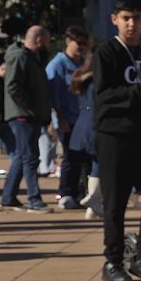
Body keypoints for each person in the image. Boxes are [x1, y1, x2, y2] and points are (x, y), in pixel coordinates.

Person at [93, 0, 141, 281]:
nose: (132, 24)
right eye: (126, 18)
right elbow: (103, 98)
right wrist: (140, 88)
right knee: (116, 201)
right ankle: (112, 262)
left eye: (137, 18)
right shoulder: (107, 51)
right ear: (115, 20)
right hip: (114, 135)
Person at [0, 26, 53, 211]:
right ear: (38, 40)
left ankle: (8, 197)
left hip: (28, 114)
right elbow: (13, 85)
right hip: (23, 115)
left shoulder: (31, 58)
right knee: (30, 156)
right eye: (46, 41)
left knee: (22, 156)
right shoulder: (21, 57)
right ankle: (34, 198)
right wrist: (28, 107)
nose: (48, 45)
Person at [46, 26, 90, 208]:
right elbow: (53, 95)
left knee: (86, 159)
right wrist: (60, 118)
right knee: (71, 157)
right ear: (68, 41)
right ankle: (65, 192)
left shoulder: (85, 64)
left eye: (84, 44)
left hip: (84, 119)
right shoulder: (57, 65)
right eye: (78, 43)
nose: (82, 47)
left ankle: (82, 193)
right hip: (67, 120)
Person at [67, 52, 103, 219]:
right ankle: (93, 200)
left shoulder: (81, 77)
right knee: (99, 164)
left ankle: (92, 203)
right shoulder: (98, 79)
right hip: (96, 124)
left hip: (83, 123)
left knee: (91, 164)